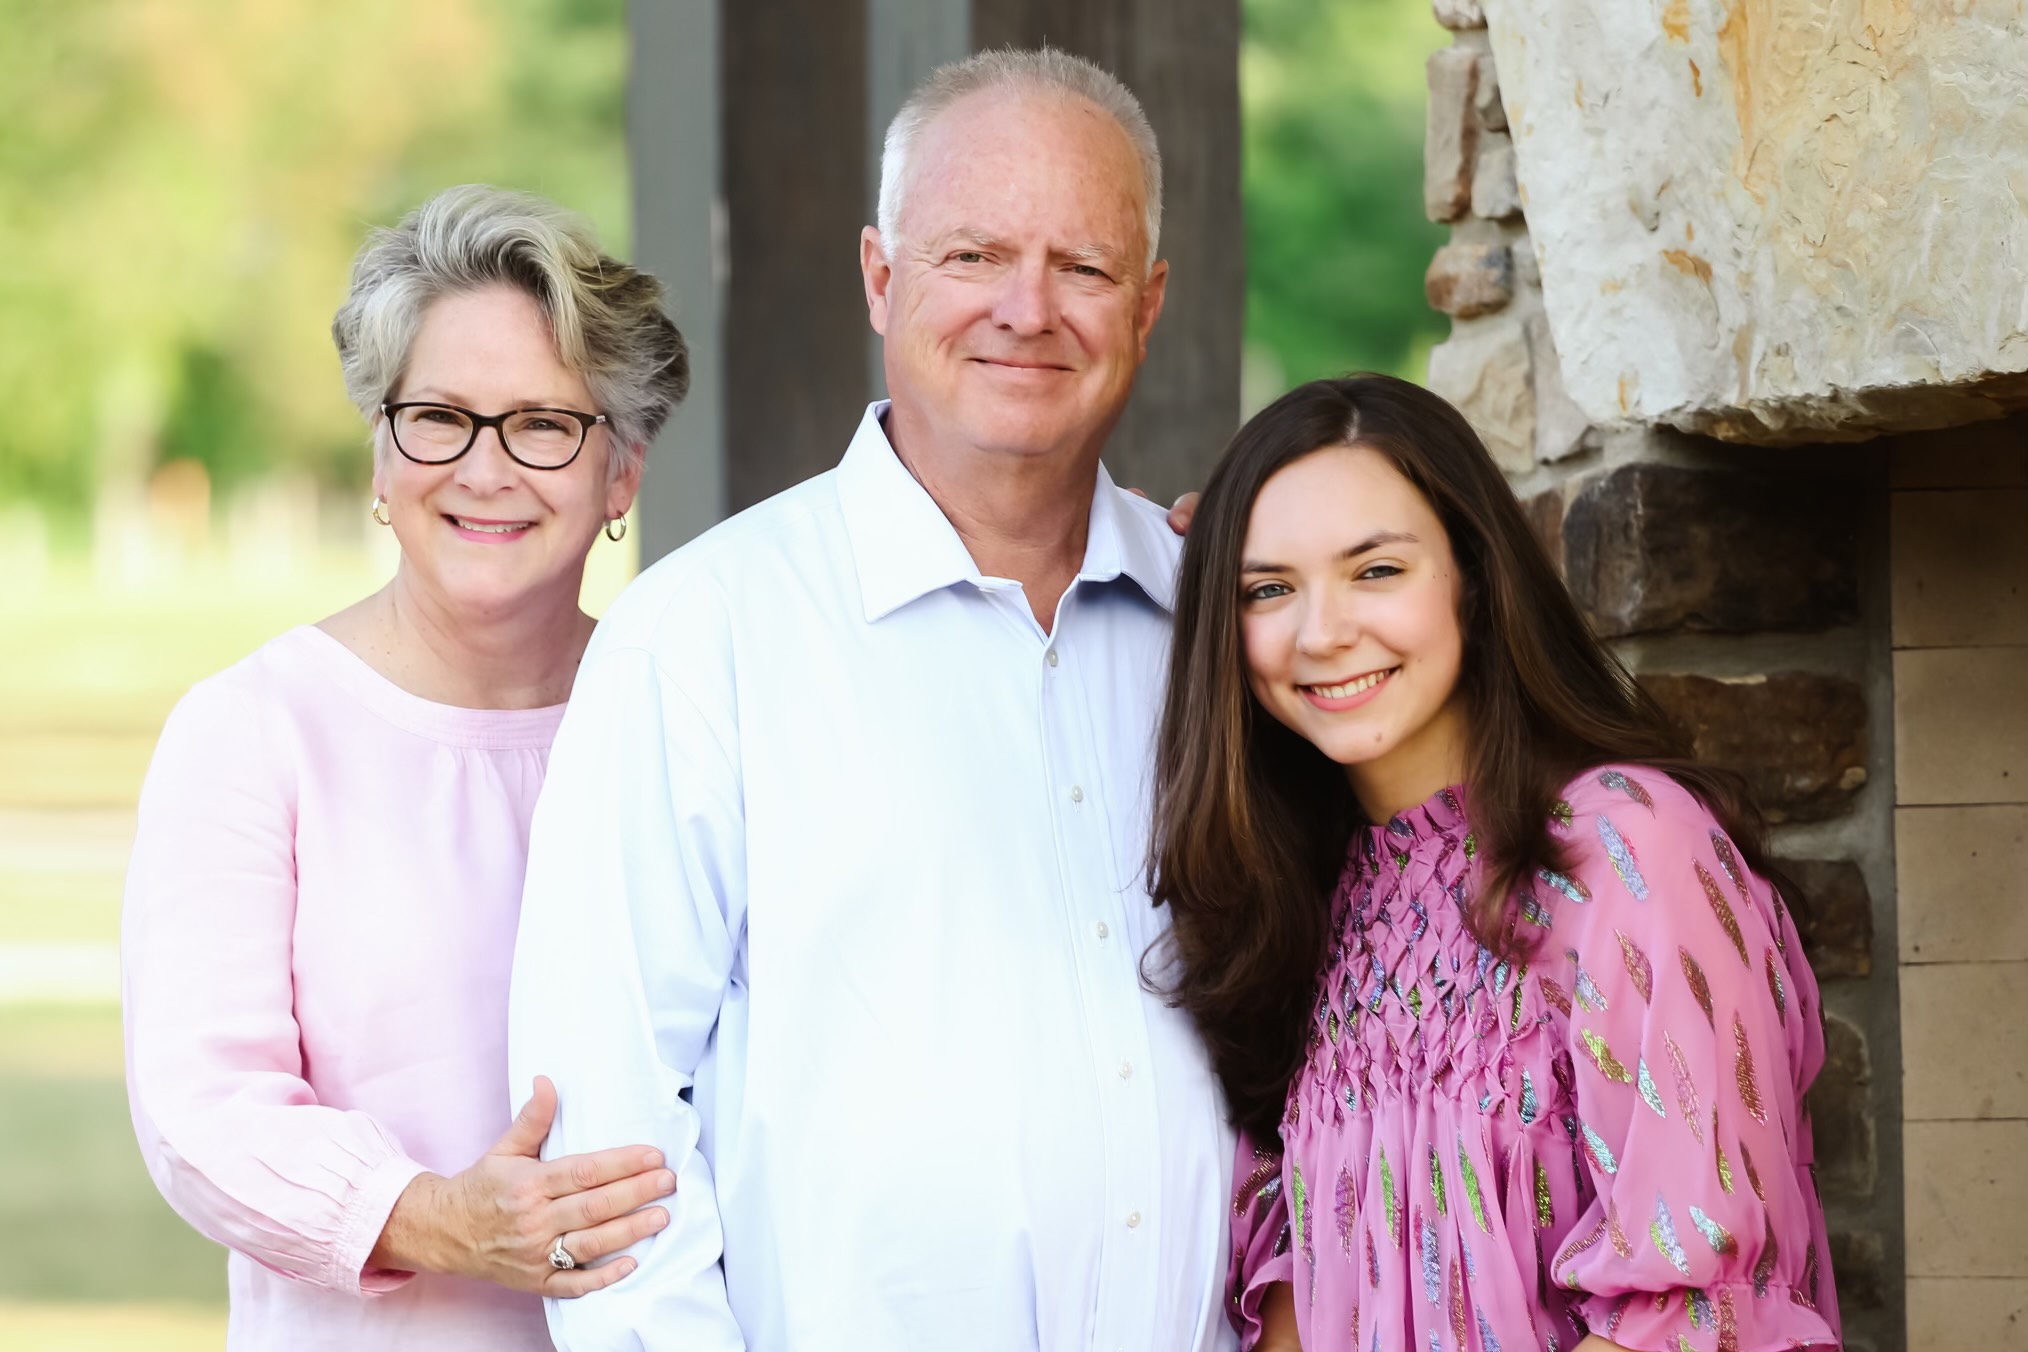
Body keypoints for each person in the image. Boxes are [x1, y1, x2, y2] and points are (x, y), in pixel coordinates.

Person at [507, 48, 1233, 1350]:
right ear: (879, 276)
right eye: (972, 255)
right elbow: (607, 1144)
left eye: (1085, 265)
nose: (1029, 306)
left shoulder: (1226, 630)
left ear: (1152, 301)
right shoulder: (703, 637)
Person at [1149, 374, 1841, 1351]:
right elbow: (1297, 1286)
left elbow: (1692, 1304)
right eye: (1269, 588)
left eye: (1376, 569)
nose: (1322, 631)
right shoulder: (1305, 894)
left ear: (1473, 574)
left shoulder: (1628, 849)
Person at [122, 185, 688, 1350]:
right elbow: (202, 1110)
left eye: (543, 423)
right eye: (440, 416)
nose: (485, 468)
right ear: (382, 451)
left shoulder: (688, 717)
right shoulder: (252, 730)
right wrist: (438, 1219)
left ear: (621, 471)